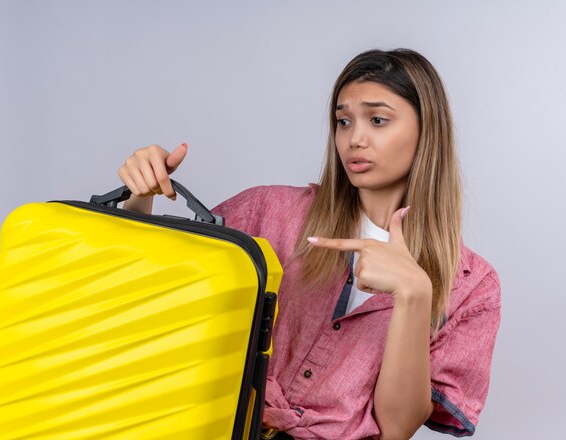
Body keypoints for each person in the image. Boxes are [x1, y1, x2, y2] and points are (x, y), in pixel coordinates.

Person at [117, 49, 501, 440]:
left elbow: (398, 428)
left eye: (378, 120)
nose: (355, 139)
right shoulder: (267, 211)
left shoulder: (472, 286)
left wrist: (414, 294)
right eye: (343, 121)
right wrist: (140, 199)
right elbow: (148, 294)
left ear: (427, 131)